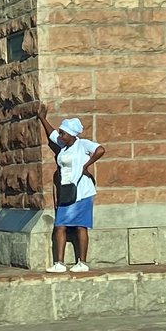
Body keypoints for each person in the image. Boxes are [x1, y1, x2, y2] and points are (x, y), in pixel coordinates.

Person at [37, 104, 106, 273]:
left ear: (72, 135)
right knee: (60, 225)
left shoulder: (82, 144)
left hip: (82, 192)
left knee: (80, 226)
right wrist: (42, 118)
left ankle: (82, 262)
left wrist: (86, 165)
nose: (60, 135)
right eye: (61, 132)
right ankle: (59, 263)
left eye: (64, 133)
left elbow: (100, 149)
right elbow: (52, 135)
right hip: (67, 191)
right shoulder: (63, 145)